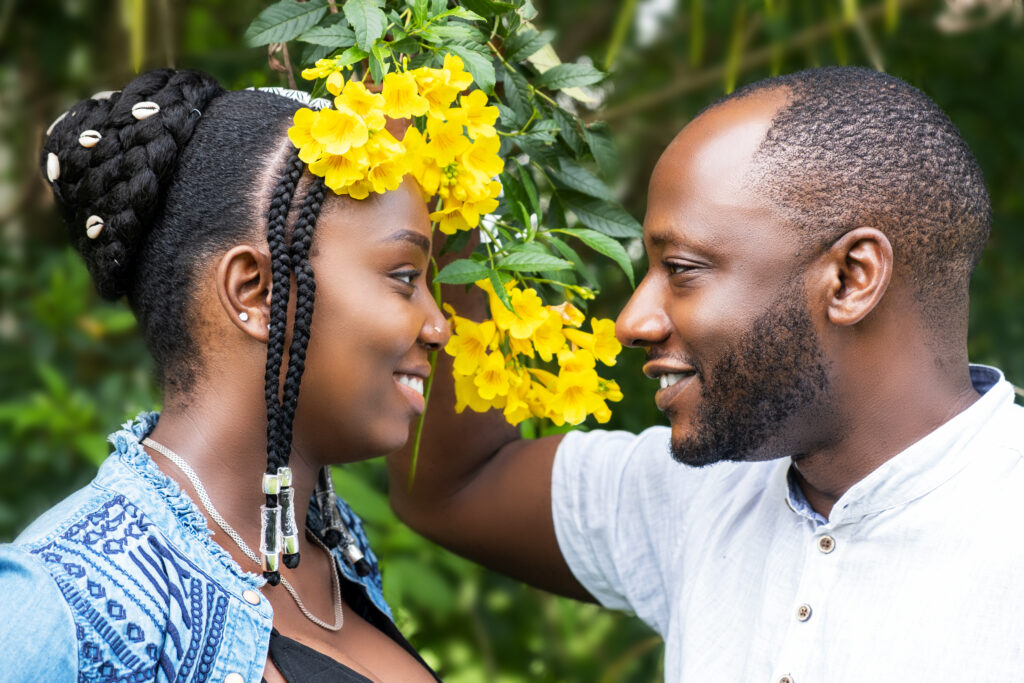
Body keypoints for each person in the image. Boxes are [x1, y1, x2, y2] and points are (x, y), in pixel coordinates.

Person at [387, 66, 1024, 682]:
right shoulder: (704, 496)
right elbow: (450, 486)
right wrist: (447, 185)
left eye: (684, 269)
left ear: (852, 278)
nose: (632, 321)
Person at [0, 68, 449, 682]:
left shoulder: (331, 554)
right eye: (404, 277)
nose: (438, 325)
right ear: (257, 292)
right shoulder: (62, 601)